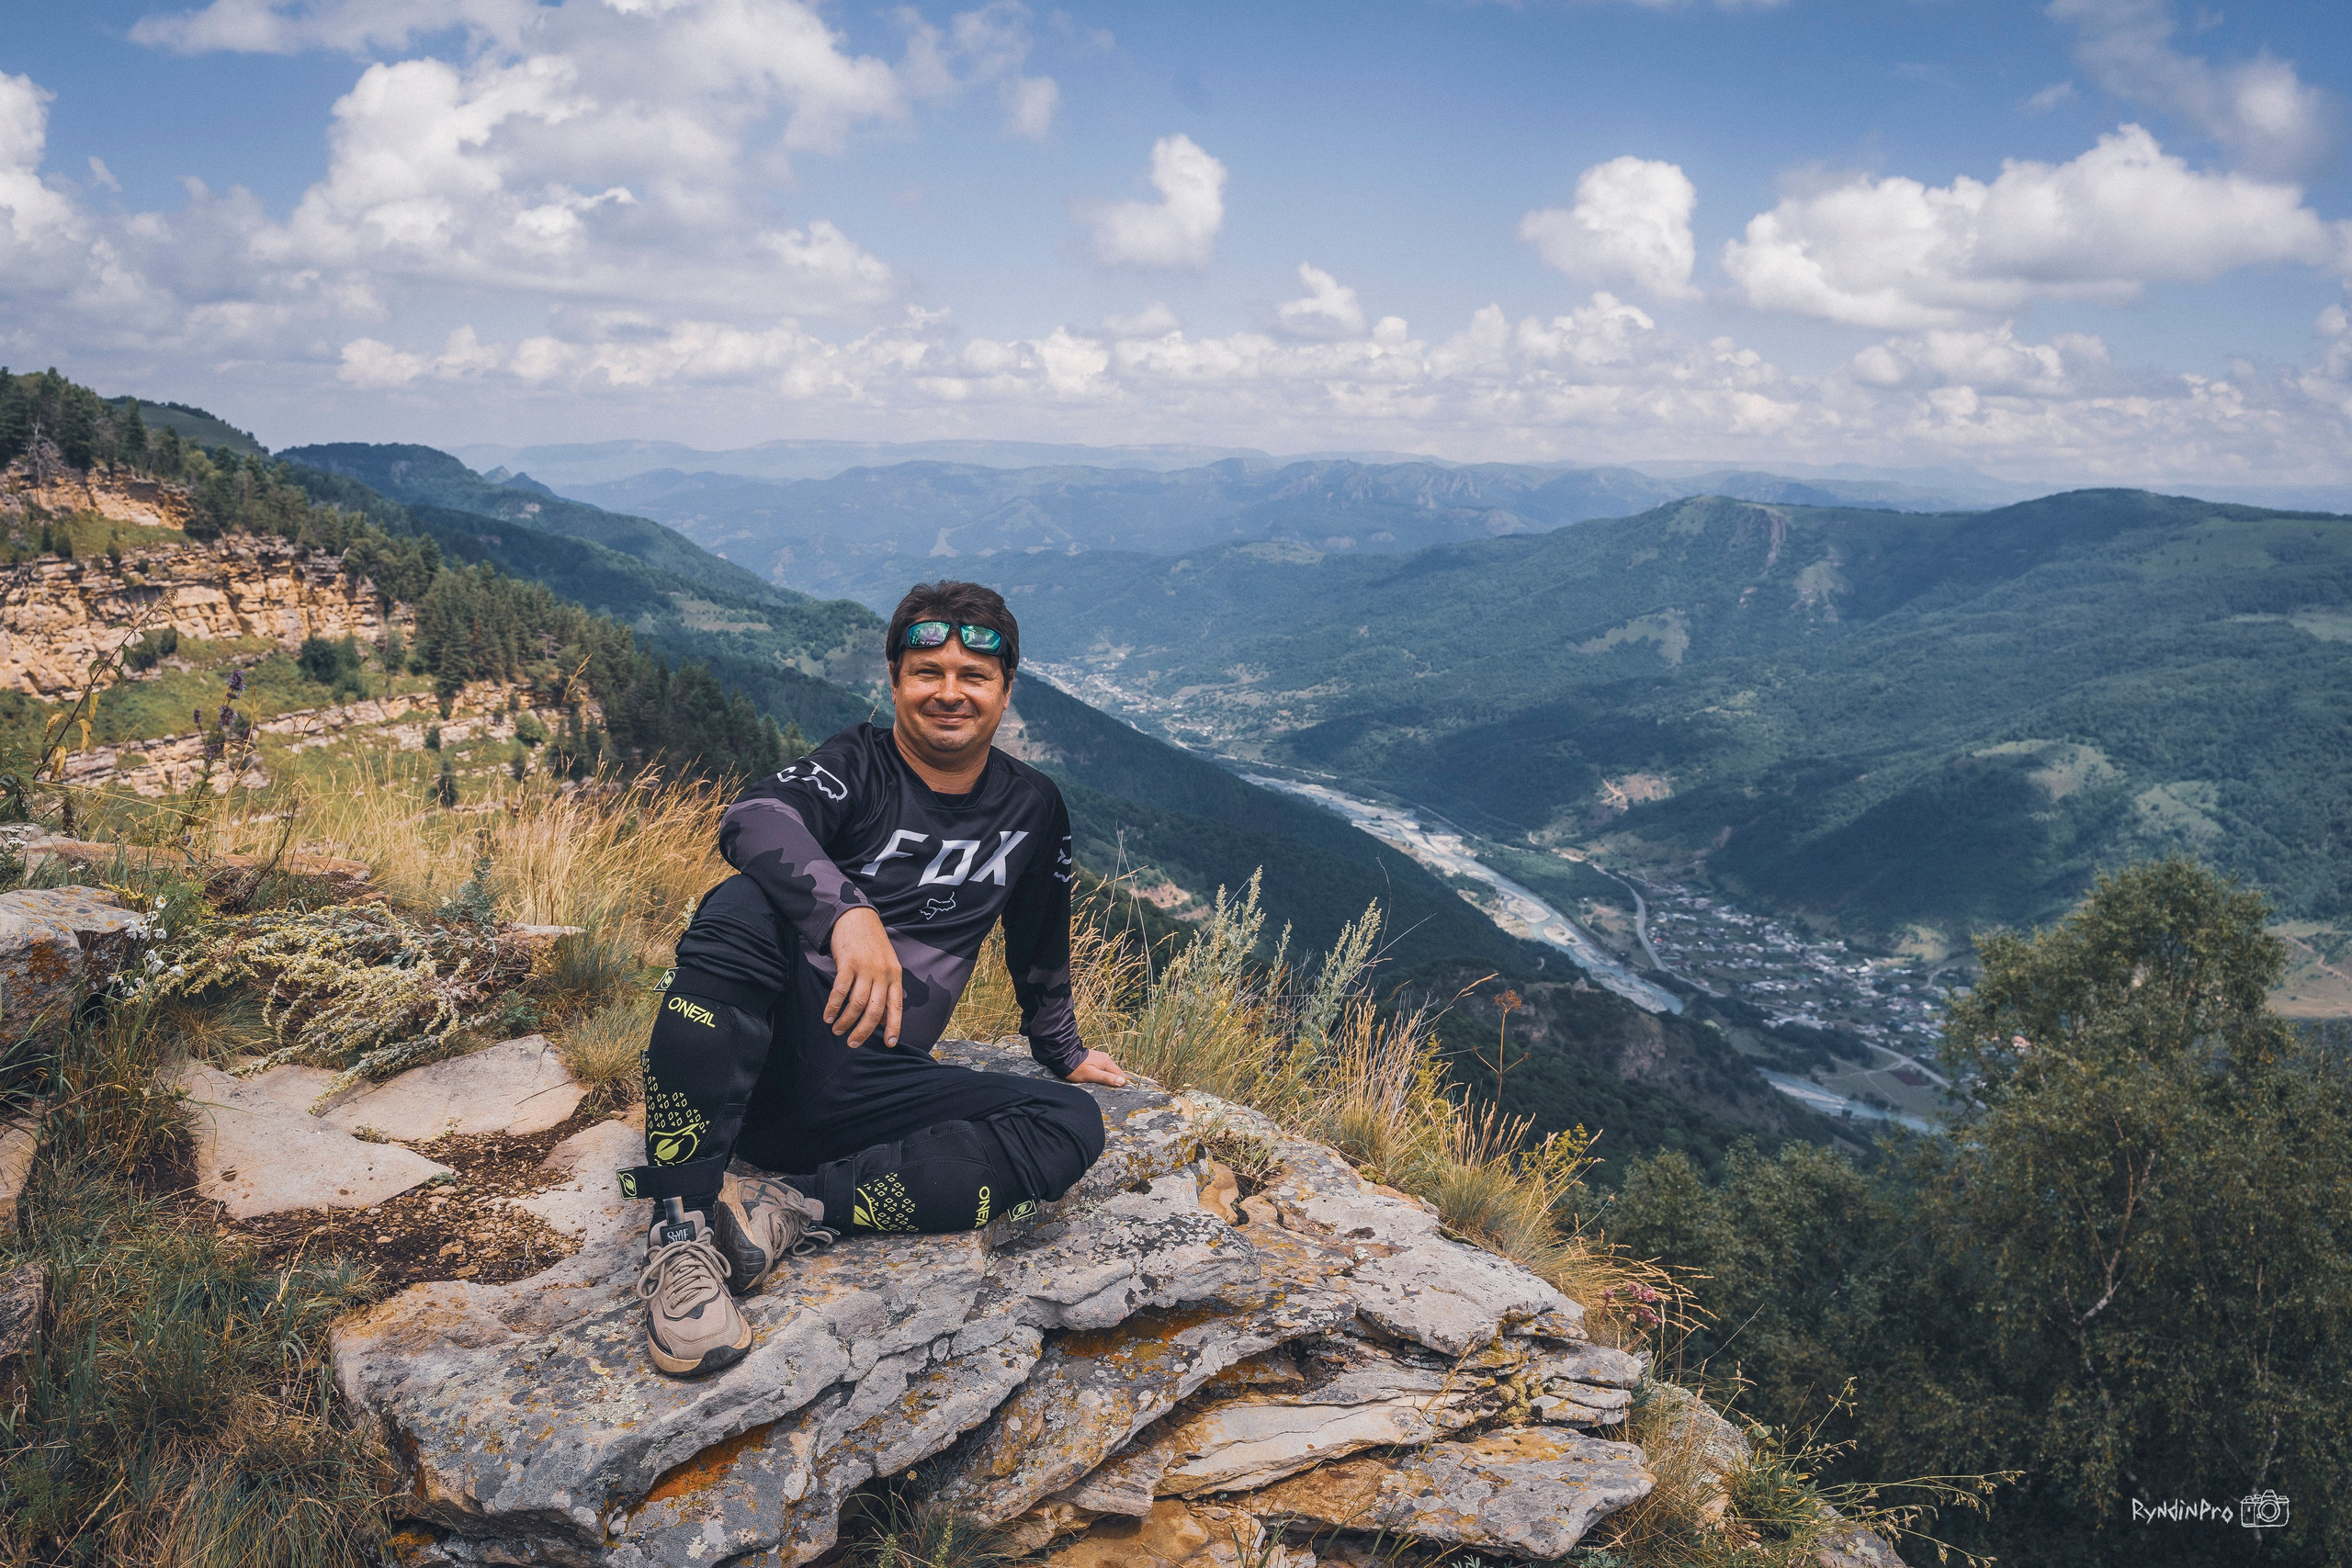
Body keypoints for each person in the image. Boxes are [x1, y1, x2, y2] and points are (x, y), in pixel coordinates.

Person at [622, 580, 1131, 1377]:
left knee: (1070, 1125)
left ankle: (786, 1210)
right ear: (895, 680)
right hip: (759, 1065)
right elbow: (753, 817)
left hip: (870, 1088)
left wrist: (1060, 1047)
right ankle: (680, 1222)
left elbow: (1040, 940)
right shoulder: (854, 766)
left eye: (974, 675)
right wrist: (844, 912)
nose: (950, 692)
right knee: (743, 905)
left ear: (1006, 690)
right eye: (928, 671)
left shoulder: (1033, 806)